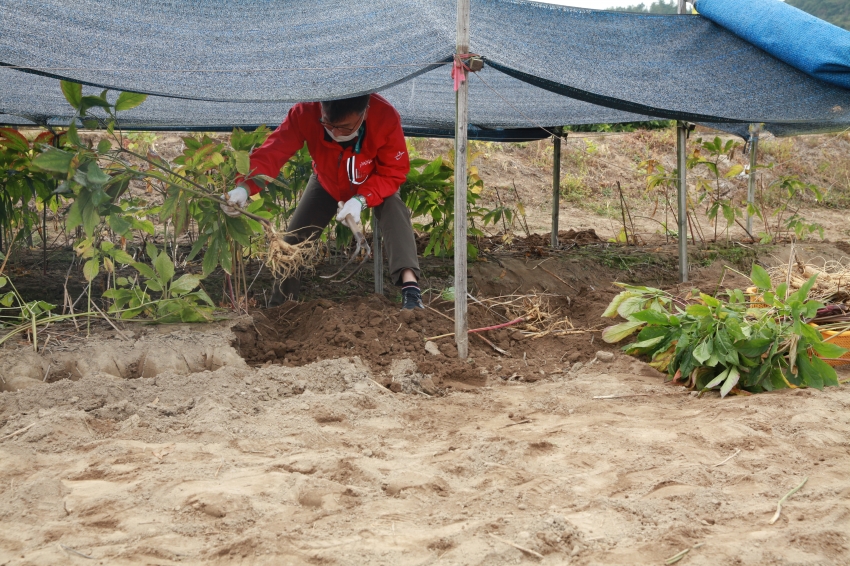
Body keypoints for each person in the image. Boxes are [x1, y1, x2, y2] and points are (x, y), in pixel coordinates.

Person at [221, 93, 424, 310]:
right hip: (326, 181)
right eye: (328, 124)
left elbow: (393, 171)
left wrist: (361, 200)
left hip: (373, 181)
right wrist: (244, 187)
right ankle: (281, 308)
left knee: (394, 210)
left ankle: (411, 291)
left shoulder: (385, 116)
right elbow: (274, 151)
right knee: (293, 241)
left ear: (364, 113)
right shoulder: (306, 112)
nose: (335, 133)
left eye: (345, 127)